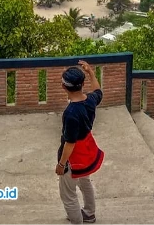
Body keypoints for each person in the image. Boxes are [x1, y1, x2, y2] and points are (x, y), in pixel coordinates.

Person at [56, 60, 104, 224]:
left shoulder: (71, 113)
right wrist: (91, 72)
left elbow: (70, 142)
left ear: (64, 87)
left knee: (68, 195)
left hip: (74, 158)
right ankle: (89, 213)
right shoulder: (91, 100)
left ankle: (77, 220)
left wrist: (61, 164)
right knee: (85, 182)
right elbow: (98, 90)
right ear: (83, 84)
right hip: (88, 151)